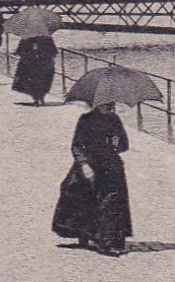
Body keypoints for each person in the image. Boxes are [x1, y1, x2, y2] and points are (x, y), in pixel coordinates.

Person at [51, 100, 132, 257]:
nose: (109, 107)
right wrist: (84, 165)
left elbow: (124, 145)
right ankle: (85, 233)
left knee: (111, 203)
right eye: (105, 104)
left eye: (111, 104)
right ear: (97, 104)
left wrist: (117, 142)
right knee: (80, 196)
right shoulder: (86, 120)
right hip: (90, 163)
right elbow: (76, 146)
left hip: (111, 165)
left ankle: (107, 242)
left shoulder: (115, 120)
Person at [12, 29, 58, 106]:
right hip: (44, 63)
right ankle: (41, 97)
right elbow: (53, 51)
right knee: (43, 81)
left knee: (31, 81)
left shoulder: (26, 37)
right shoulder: (47, 37)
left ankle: (36, 98)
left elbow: (20, 50)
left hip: (30, 64)